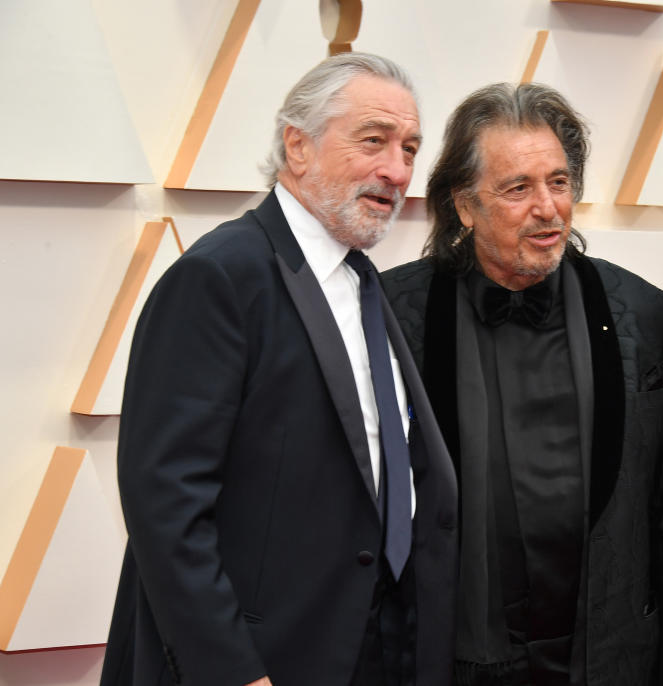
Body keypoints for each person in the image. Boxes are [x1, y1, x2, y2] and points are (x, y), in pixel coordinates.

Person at [100, 53, 458, 686]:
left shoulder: (361, 280)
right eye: (373, 141)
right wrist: (233, 671)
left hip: (368, 647)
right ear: (298, 146)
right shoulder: (219, 277)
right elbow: (166, 505)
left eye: (409, 148)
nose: (397, 170)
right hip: (261, 663)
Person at [382, 82, 663, 686]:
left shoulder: (642, 312)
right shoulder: (390, 314)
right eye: (518, 188)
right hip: (451, 663)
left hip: (608, 661)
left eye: (559, 183)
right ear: (464, 204)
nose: (548, 208)